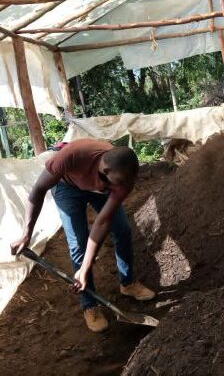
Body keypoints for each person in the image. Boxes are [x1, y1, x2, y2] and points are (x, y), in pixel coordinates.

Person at [11, 138, 155, 332]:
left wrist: (86, 267)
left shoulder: (122, 180)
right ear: (105, 171)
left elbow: (102, 221)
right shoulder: (71, 157)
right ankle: (89, 304)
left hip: (99, 188)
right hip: (67, 188)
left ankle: (128, 283)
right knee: (78, 244)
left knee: (122, 230)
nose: (117, 189)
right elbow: (38, 190)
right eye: (112, 184)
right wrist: (26, 233)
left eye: (120, 185)